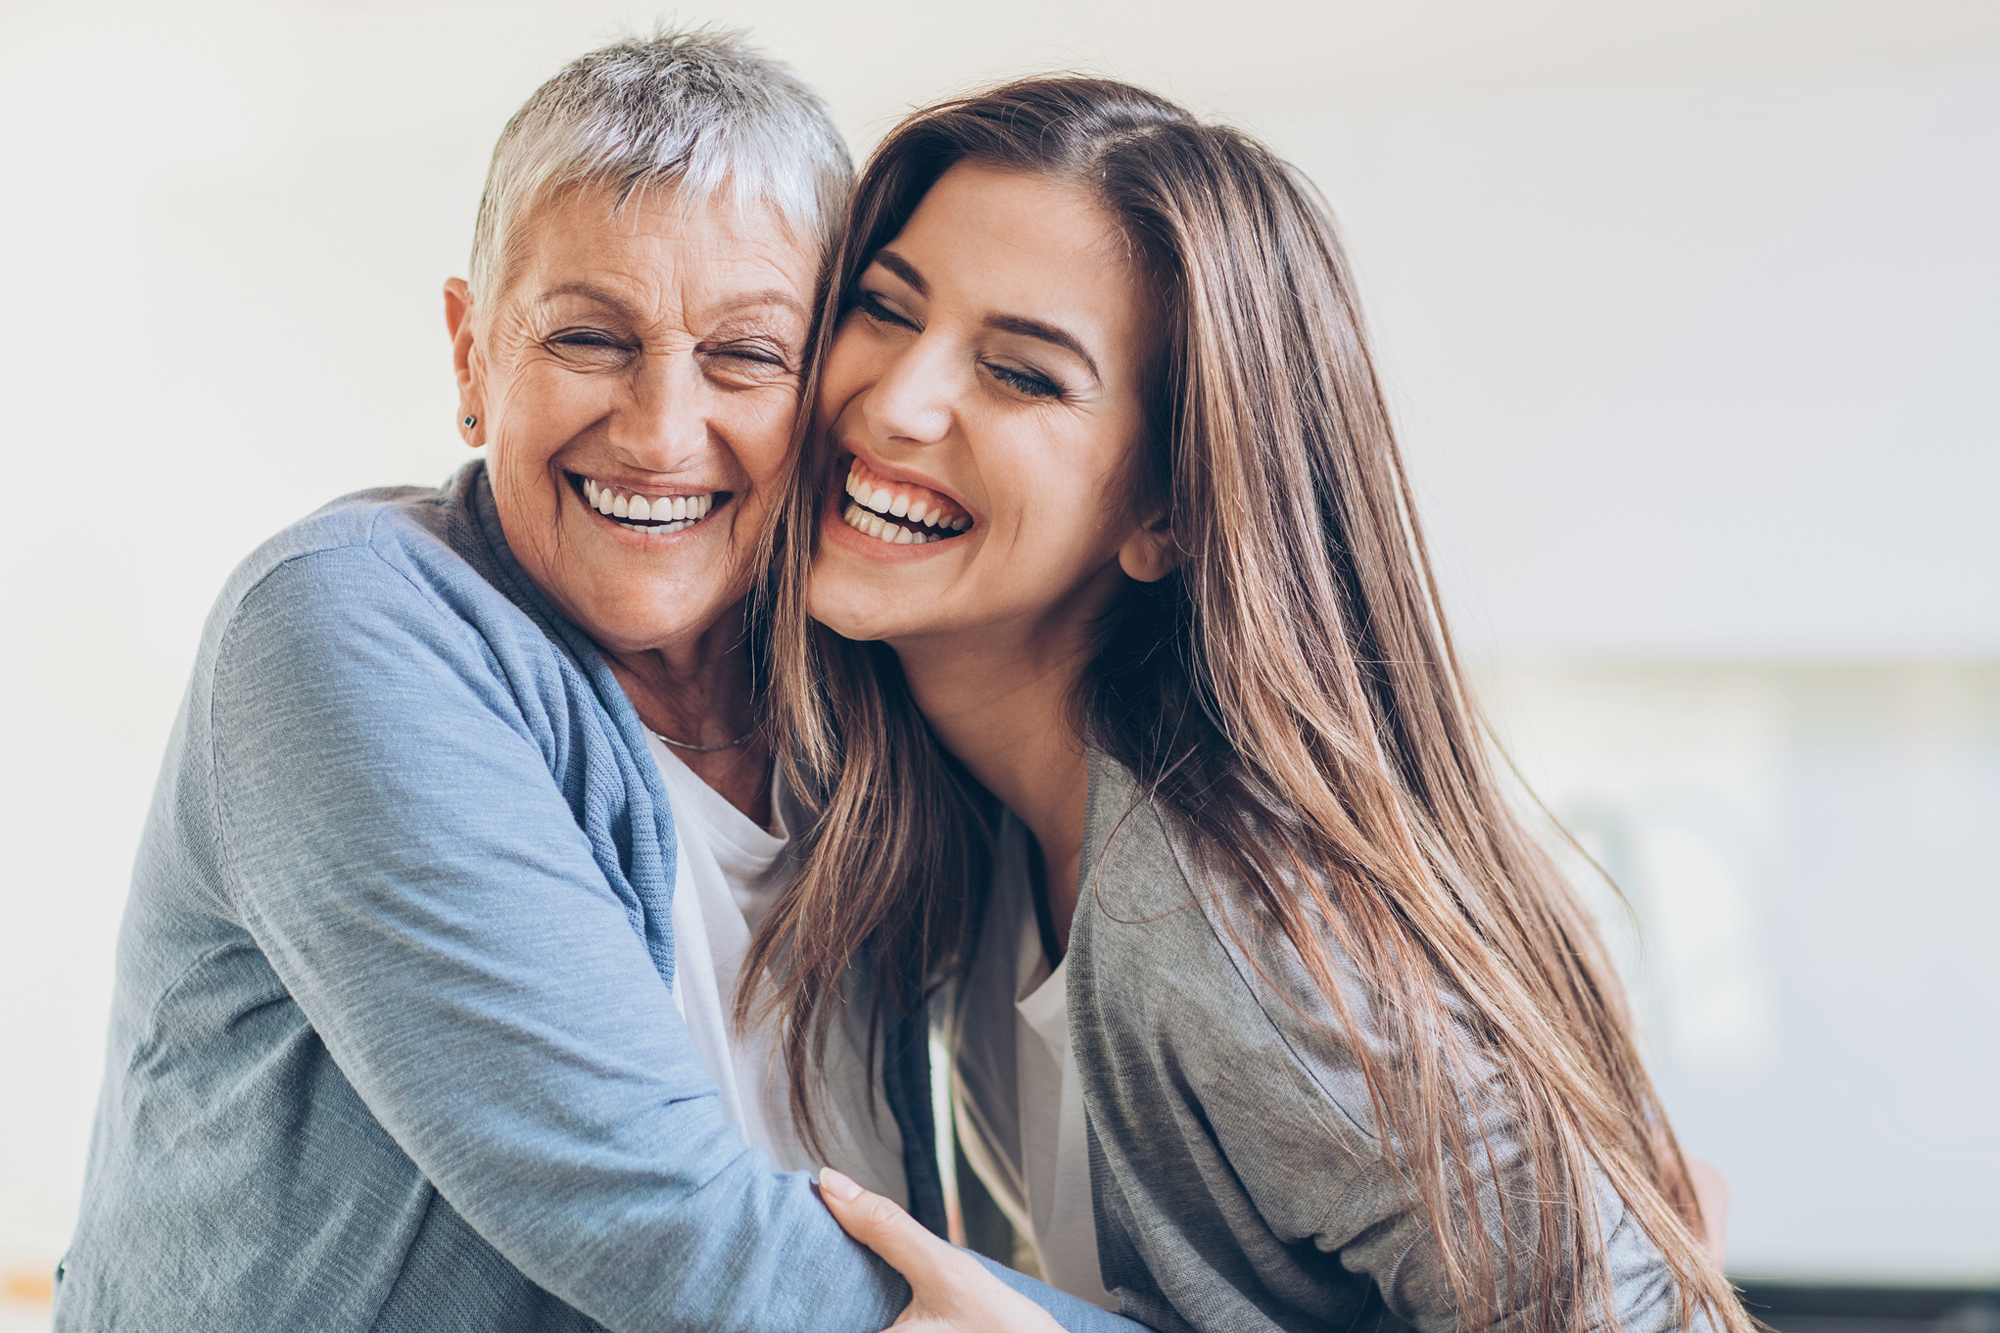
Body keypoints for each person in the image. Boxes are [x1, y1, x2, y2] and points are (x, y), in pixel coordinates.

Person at [53, 35, 1132, 1333]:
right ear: (470, 356)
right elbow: (663, 1220)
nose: (661, 432)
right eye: (586, 337)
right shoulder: (343, 622)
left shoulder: (866, 699)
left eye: (745, 355)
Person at [756, 77, 1750, 1332]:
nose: (896, 401)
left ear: (1164, 510)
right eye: (884, 308)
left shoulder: (1223, 918)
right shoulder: (993, 832)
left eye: (1020, 375)